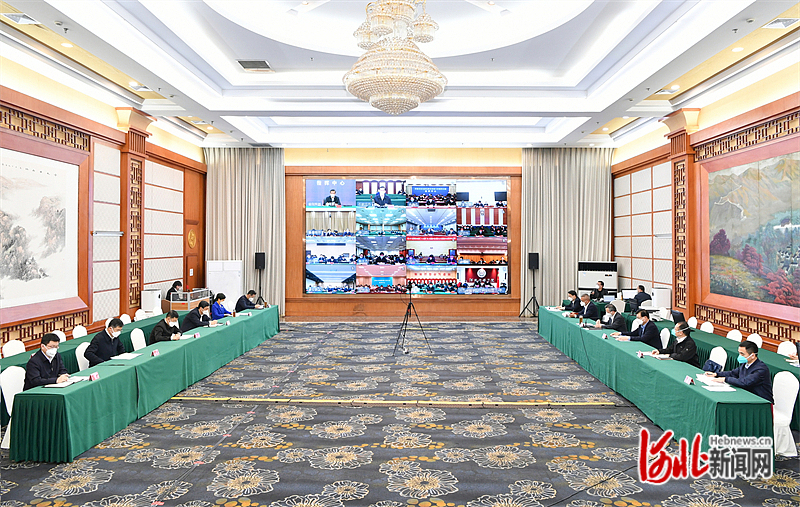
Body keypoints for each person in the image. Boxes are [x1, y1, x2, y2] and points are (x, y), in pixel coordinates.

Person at [705, 341, 773, 403]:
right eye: (739, 353)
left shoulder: (761, 369)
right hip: (747, 397)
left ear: (752, 355)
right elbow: (732, 373)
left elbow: (745, 382)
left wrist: (725, 379)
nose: (740, 356)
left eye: (742, 354)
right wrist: (716, 374)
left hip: (761, 401)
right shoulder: (745, 364)